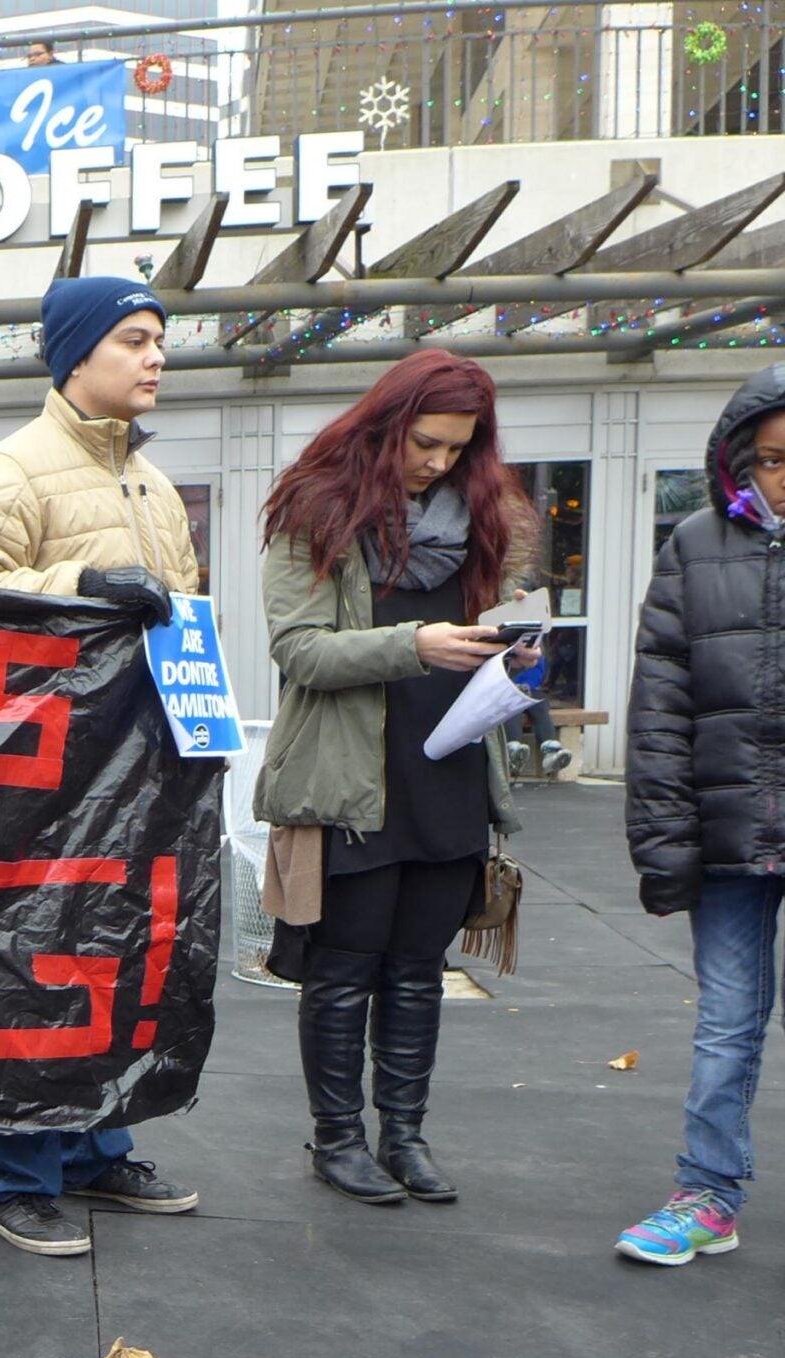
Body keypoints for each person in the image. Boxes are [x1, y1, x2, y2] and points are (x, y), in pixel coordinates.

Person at [0, 275, 203, 1256]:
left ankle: (91, 1149)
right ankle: (9, 1177)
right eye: (133, 338)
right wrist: (77, 581)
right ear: (75, 354)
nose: (155, 357)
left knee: (117, 958)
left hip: (136, 772)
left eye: (159, 339)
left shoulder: (155, 486)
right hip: (37, 780)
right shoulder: (9, 472)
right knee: (28, 968)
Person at [254, 350, 529, 1206]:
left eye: (456, 449)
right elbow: (297, 650)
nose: (437, 463)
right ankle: (337, 1141)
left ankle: (404, 1136)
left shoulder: (482, 518)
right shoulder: (318, 507)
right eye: (425, 441)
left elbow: (494, 627)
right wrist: (415, 646)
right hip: (349, 775)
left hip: (449, 766)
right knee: (344, 968)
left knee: (418, 967)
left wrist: (516, 652)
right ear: (386, 421)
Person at [617, 362, 785, 1265]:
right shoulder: (693, 545)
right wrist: (665, 840)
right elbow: (660, 709)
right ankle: (708, 1194)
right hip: (729, 836)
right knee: (727, 1019)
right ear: (741, 460)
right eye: (772, 459)